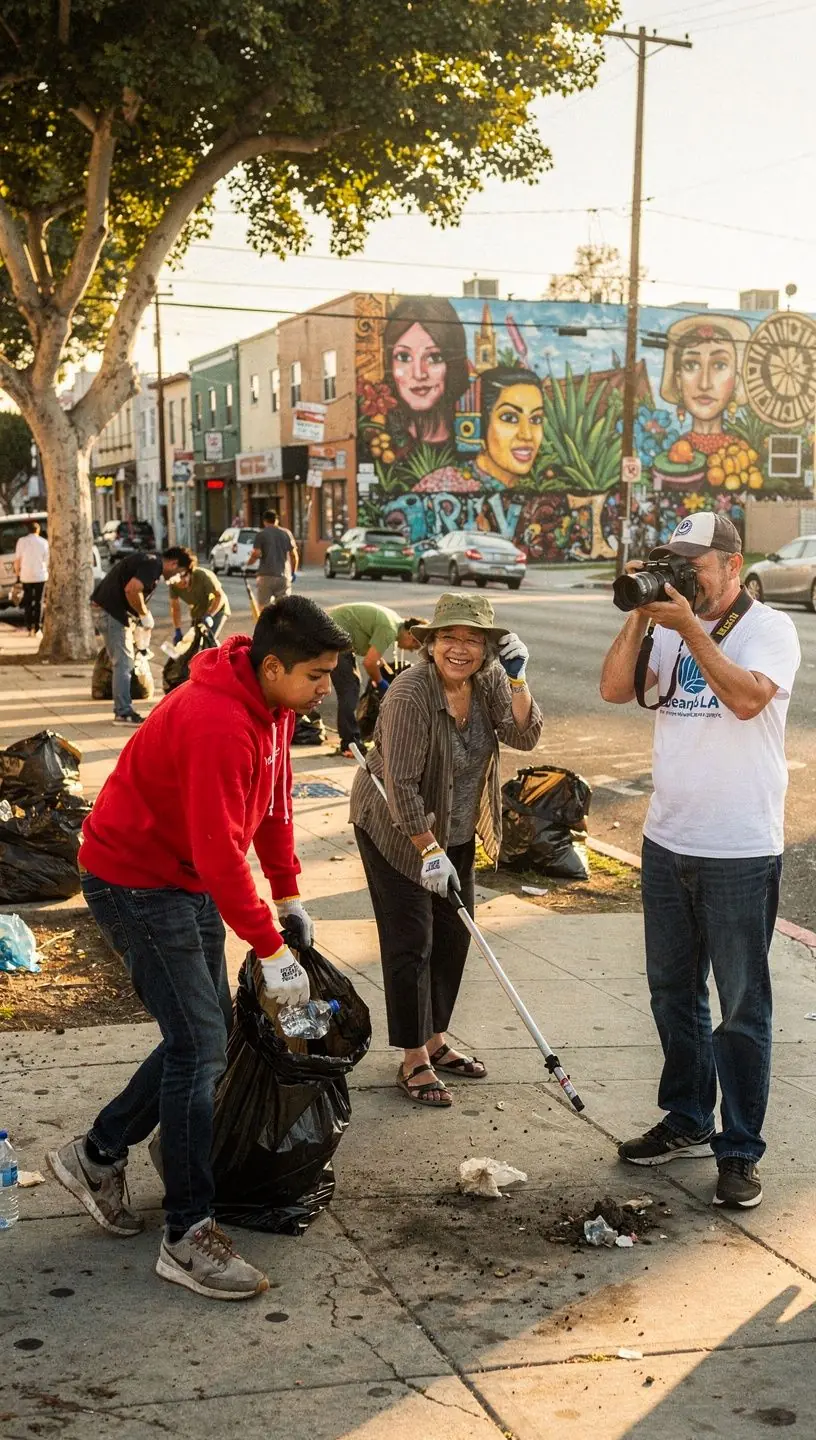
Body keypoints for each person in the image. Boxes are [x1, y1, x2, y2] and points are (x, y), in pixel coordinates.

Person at [47, 597, 352, 1302]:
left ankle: (94, 1155)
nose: (324, 690)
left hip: (179, 879)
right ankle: (187, 1233)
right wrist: (269, 950)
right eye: (315, 675)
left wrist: (289, 897)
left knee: (204, 1030)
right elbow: (219, 854)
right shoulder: (217, 720)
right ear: (272, 666)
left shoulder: (273, 710)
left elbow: (274, 808)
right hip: (134, 881)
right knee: (200, 1046)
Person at [600, 512, 801, 1210]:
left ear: (732, 562)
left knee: (742, 1007)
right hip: (667, 841)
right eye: (672, 561)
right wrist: (639, 611)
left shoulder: (770, 628)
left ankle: (740, 1150)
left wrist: (688, 628)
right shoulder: (665, 623)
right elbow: (615, 690)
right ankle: (687, 1115)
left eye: (694, 563)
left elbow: (747, 701)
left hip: (739, 849)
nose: (684, 574)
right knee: (672, 994)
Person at [350, 592, 542, 1106]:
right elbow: (402, 784)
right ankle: (413, 1056)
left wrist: (519, 678)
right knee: (412, 937)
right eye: (450, 638)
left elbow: (525, 735)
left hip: (454, 825)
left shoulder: (490, 681)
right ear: (431, 643)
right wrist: (425, 849)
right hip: (395, 825)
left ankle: (436, 1040)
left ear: (488, 648)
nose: (461, 649)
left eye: (473, 640)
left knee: (454, 933)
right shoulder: (411, 694)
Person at [91, 545, 189, 725]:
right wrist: (144, 614)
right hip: (112, 613)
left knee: (122, 662)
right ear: (173, 564)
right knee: (124, 663)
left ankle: (123, 709)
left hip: (111, 611)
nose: (177, 579)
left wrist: (138, 619)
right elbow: (132, 589)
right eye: (179, 573)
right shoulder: (153, 564)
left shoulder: (150, 561)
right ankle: (123, 712)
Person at [327, 602, 423, 757]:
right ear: (411, 634)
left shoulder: (394, 622)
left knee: (352, 684)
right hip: (334, 637)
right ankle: (350, 743)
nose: (411, 650)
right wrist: (381, 683)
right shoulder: (389, 629)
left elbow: (372, 656)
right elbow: (370, 663)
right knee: (349, 689)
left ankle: (350, 739)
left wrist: (377, 673)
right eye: (414, 645)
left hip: (338, 636)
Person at [382, 296, 469, 447]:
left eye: (434, 357)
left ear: (452, 364)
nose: (419, 374)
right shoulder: (380, 442)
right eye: (403, 357)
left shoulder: (476, 443)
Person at [462, 367, 545, 491]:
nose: (527, 435)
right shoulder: (448, 484)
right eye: (510, 418)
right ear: (481, 423)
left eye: (536, 419)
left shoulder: (544, 486)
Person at [168, 548, 231, 644]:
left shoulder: (203, 576)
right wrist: (177, 630)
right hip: (198, 612)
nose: (182, 581)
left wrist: (209, 615)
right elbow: (175, 608)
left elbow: (220, 596)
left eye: (183, 575)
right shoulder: (173, 585)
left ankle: (218, 655)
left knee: (208, 640)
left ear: (189, 570)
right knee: (193, 643)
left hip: (216, 608)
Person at [248, 510, 298, 608]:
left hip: (265, 576)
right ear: (277, 520)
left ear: (264, 521)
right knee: (283, 609)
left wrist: (247, 563)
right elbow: (294, 556)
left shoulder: (261, 534)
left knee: (264, 608)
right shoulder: (286, 533)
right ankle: (281, 623)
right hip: (283, 576)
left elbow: (256, 554)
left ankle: (266, 623)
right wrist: (293, 572)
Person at [14, 519, 49, 635]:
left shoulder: (21, 541)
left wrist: (17, 574)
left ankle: (29, 627)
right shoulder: (44, 542)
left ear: (28, 531)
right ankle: (38, 628)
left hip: (26, 576)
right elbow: (47, 561)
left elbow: (17, 560)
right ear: (38, 531)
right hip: (40, 576)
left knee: (28, 601)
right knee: (39, 602)